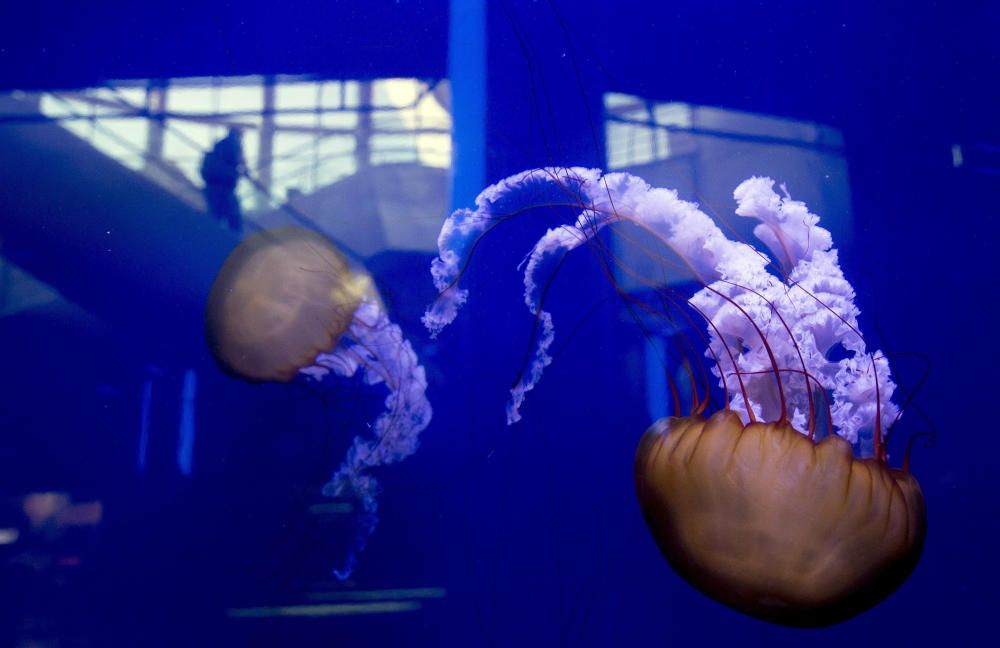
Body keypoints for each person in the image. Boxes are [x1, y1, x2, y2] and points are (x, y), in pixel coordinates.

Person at [200, 128, 246, 231]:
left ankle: (214, 234)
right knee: (233, 216)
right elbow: (240, 159)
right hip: (224, 186)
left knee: (217, 214)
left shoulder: (219, 145)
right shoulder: (233, 143)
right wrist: (244, 171)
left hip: (213, 186)